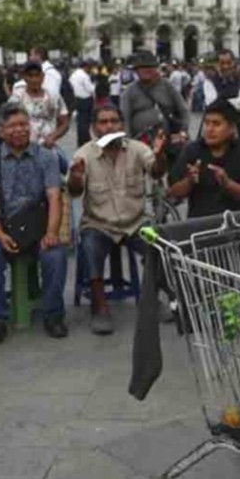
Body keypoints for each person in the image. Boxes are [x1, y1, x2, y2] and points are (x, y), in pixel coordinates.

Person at [67, 105, 167, 334]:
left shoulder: (137, 149)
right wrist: (75, 177)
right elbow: (74, 192)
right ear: (94, 127)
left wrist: (160, 155)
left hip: (135, 222)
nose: (109, 126)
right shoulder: (84, 154)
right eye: (103, 122)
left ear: (122, 125)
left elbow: (156, 172)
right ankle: (100, 307)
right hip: (98, 223)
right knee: (90, 247)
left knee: (159, 246)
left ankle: (151, 299)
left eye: (114, 121)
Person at [0, 102, 69, 344]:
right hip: (3, 225)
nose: (19, 130)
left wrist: (51, 231)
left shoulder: (47, 157)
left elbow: (54, 196)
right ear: (0, 131)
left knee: (55, 254)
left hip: (38, 224)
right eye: (12, 126)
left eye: (23, 124)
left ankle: (53, 314)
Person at [167, 99, 240, 219]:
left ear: (231, 127)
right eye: (206, 123)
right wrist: (189, 180)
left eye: (216, 124)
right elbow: (174, 193)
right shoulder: (192, 150)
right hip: (199, 226)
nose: (209, 129)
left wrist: (227, 183)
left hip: (236, 225)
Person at [121, 52, 189, 166]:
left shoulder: (167, 85)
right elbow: (125, 119)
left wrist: (183, 132)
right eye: (142, 67)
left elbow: (184, 110)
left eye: (150, 67)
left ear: (156, 68)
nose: (146, 70)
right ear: (136, 71)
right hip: (140, 140)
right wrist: (128, 142)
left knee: (184, 155)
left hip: (169, 138)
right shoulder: (129, 92)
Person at [9, 61, 70, 166]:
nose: (34, 79)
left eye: (37, 75)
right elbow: (8, 123)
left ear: (42, 77)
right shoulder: (16, 98)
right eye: (30, 76)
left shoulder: (53, 96)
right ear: (24, 77)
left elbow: (64, 122)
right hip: (24, 151)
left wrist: (53, 137)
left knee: (68, 170)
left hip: (48, 148)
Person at [204, 49, 240, 149]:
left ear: (233, 62)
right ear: (217, 64)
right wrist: (234, 102)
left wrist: (222, 102)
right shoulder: (210, 80)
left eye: (228, 63)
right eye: (222, 63)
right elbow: (211, 103)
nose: (225, 66)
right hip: (217, 127)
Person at [69, 60, 97, 147]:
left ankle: (80, 140)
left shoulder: (73, 75)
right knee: (85, 122)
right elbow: (90, 89)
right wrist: (95, 86)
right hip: (85, 99)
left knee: (80, 121)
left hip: (76, 98)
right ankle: (85, 139)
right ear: (86, 67)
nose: (90, 69)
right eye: (90, 67)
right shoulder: (84, 76)